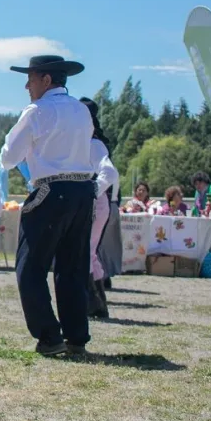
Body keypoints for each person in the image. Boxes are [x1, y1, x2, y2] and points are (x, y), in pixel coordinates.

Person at [0, 55, 95, 357]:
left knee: (30, 267)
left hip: (52, 190)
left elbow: (8, 157)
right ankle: (76, 337)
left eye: (31, 78)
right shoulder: (81, 110)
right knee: (73, 268)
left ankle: (49, 336)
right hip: (83, 191)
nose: (27, 85)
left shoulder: (38, 111)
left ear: (46, 80)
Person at [81, 97, 118, 320]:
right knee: (88, 252)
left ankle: (93, 303)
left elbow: (110, 173)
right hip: (93, 201)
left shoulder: (93, 144)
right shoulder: (88, 142)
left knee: (85, 251)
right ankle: (97, 304)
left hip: (94, 202)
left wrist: (92, 190)